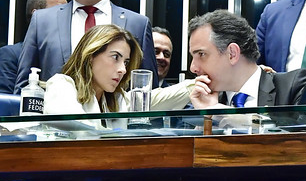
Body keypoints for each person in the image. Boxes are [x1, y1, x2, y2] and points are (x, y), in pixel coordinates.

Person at [15, 0, 158, 94]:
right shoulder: (42, 20)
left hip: (115, 109)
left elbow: (149, 91)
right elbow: (24, 85)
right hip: (54, 109)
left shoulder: (137, 24)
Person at [43, 24, 194, 128]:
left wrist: (198, 83)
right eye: (115, 57)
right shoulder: (61, 85)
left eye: (126, 62)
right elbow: (81, 129)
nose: (123, 70)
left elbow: (160, 99)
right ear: (90, 55)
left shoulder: (116, 100)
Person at [187, 10, 306, 109]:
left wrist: (220, 114)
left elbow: (301, 131)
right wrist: (205, 119)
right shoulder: (201, 100)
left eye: (201, 54)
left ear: (232, 54)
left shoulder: (293, 87)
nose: (193, 68)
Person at [0, 0, 67, 94]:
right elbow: (6, 99)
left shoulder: (65, 54)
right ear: (37, 14)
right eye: (59, 10)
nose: (65, 16)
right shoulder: (10, 54)